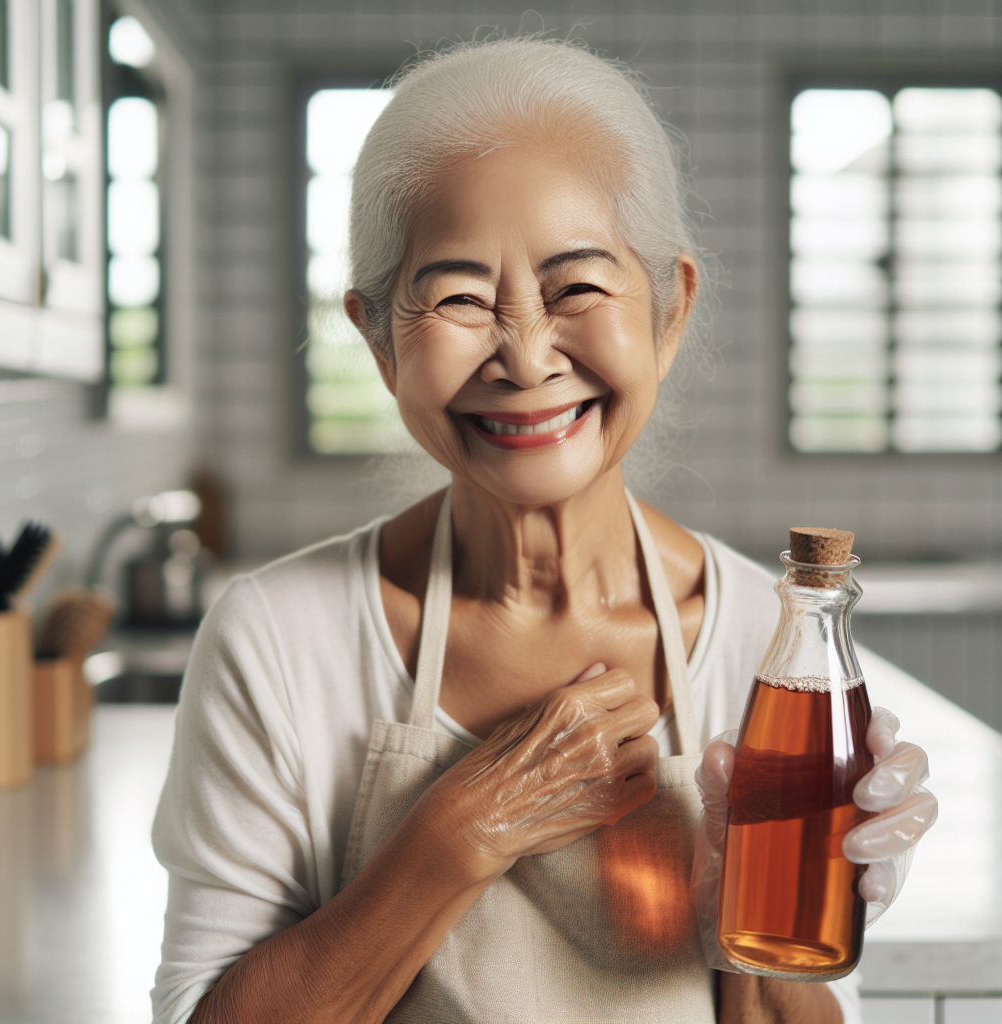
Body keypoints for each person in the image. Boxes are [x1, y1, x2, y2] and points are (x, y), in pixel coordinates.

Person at [151, 38, 937, 1024]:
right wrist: (459, 833)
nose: (525, 357)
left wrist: (759, 910)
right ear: (378, 338)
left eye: (577, 287)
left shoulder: (769, 655)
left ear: (668, 309)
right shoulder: (276, 638)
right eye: (458, 299)